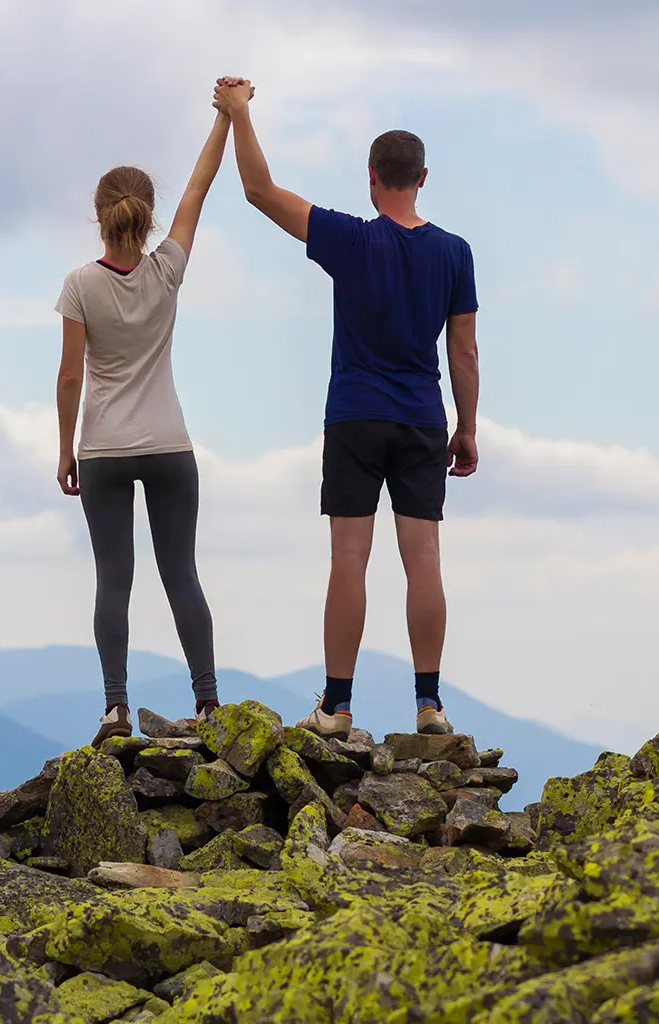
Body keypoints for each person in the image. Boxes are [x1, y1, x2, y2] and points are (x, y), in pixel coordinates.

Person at [213, 78, 479, 739]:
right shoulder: (454, 253)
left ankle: (335, 706)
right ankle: (429, 705)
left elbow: (258, 191)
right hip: (422, 416)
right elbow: (465, 353)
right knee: (424, 559)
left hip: (356, 413)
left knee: (349, 558)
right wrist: (467, 427)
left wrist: (240, 114)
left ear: (371, 178)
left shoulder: (351, 240)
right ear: (422, 178)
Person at [55, 97, 242, 747]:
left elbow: (71, 376)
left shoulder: (81, 284)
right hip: (167, 445)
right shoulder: (168, 270)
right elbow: (200, 184)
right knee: (181, 573)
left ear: (99, 215)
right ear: (147, 214)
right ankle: (211, 702)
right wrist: (228, 117)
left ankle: (115, 710)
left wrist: (64, 450)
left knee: (114, 579)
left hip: (104, 448)